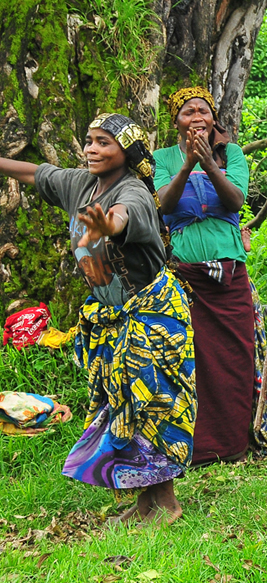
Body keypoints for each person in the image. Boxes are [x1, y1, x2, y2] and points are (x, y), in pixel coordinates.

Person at [0, 113, 195, 525]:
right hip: (111, 316)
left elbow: (123, 215)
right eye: (89, 141)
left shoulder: (134, 193)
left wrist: (108, 224)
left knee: (151, 406)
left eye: (104, 142)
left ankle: (168, 504)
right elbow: (37, 172)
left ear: (126, 151)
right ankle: (145, 501)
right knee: (121, 405)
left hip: (152, 315)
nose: (91, 149)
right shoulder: (82, 184)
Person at [153, 86, 267, 464]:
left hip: (230, 273)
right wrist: (186, 165)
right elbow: (164, 206)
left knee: (236, 355)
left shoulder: (230, 154)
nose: (196, 116)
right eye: (187, 112)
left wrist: (209, 164)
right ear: (176, 121)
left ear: (213, 118)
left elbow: (235, 201)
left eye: (203, 110)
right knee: (197, 358)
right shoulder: (161, 158)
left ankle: (234, 444)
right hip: (187, 275)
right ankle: (199, 445)